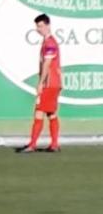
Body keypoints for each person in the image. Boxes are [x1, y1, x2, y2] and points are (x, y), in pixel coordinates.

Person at [19, 13, 62, 153]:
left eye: (41, 26)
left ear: (48, 25)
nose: (39, 29)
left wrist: (41, 83)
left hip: (49, 83)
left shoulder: (50, 43)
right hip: (54, 83)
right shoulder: (49, 42)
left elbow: (47, 64)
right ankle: (54, 144)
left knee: (39, 112)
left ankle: (32, 144)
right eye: (37, 26)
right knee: (51, 113)